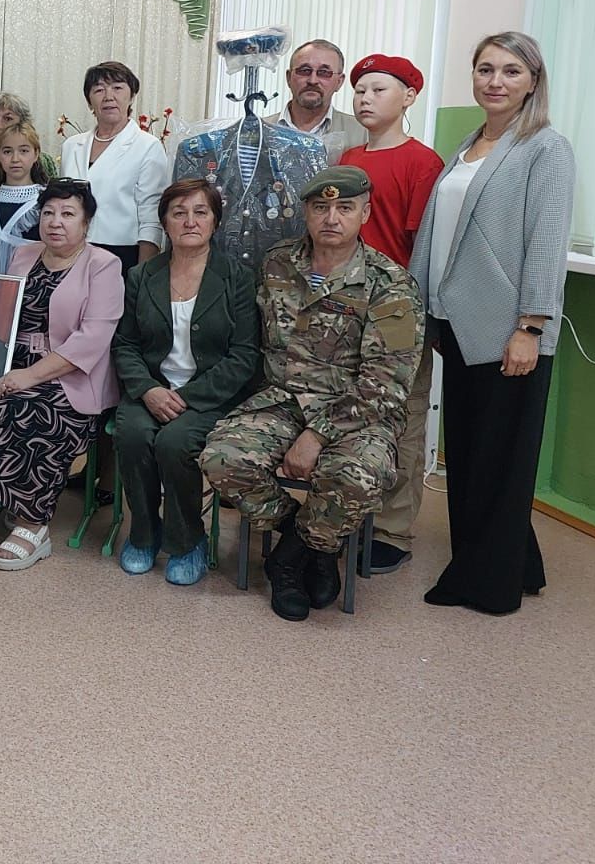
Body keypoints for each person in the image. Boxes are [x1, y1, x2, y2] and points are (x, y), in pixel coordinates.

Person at [200, 166, 423, 622]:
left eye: (344, 208)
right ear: (306, 211)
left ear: (365, 212)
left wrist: (318, 435)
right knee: (223, 458)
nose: (332, 218)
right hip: (281, 400)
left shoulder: (390, 284)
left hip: (358, 412)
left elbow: (386, 383)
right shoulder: (278, 263)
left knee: (358, 476)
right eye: (321, 207)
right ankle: (305, 542)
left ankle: (289, 560)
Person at [410, 32, 575, 616]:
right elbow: (439, 236)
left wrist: (531, 325)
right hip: (458, 321)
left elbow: (546, 242)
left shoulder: (544, 148)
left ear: (533, 79)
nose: (495, 81)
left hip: (510, 328)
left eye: (510, 71)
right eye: (485, 69)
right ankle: (519, 564)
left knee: (501, 459)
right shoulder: (468, 144)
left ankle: (486, 584)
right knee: (476, 453)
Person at [0, 180, 124, 570]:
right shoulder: (23, 255)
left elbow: (92, 339)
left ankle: (34, 528)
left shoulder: (104, 265)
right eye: (49, 212)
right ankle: (18, 499)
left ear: (86, 223)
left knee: (31, 413)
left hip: (71, 375)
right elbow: (1, 315)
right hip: (13, 363)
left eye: (68, 214)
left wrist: (29, 376)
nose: (56, 222)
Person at [112, 178, 260, 586]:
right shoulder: (142, 276)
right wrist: (149, 390)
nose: (190, 221)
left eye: (200, 212)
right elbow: (125, 345)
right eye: (178, 213)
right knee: (133, 434)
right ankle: (143, 534)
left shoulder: (237, 277)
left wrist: (187, 397)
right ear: (164, 223)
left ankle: (186, 540)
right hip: (151, 389)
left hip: (211, 396)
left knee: (174, 442)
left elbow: (245, 355)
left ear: (215, 220)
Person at [339, 54, 445, 573]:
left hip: (400, 308)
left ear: (407, 97)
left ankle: (393, 528)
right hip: (345, 306)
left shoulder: (422, 163)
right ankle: (342, 511)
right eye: (359, 89)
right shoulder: (348, 156)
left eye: (378, 89)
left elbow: (422, 245)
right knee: (344, 407)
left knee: (402, 415)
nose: (364, 98)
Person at [60, 61, 171, 273]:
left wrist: (142, 273)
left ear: (131, 97)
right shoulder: (71, 146)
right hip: (71, 252)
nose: (108, 96)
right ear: (89, 101)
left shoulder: (147, 146)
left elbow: (151, 214)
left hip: (122, 255)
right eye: (99, 90)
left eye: (117, 88)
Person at [0, 120, 51, 274]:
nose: (15, 159)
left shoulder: (47, 202)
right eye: (7, 151)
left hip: (30, 291)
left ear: (36, 154)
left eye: (24, 151)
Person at [264, 39, 369, 160]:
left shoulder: (363, 134)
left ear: (339, 82)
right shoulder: (259, 132)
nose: (312, 80)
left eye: (324, 72)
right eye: (304, 71)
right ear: (288, 78)